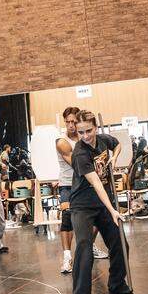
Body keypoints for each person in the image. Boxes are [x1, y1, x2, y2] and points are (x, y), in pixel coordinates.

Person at [68, 111, 132, 294]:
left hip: (103, 204)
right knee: (85, 247)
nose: (85, 136)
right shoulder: (80, 153)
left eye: (88, 130)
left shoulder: (104, 140)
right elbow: (96, 182)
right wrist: (113, 209)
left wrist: (114, 157)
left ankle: (116, 284)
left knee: (120, 242)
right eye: (80, 132)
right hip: (82, 206)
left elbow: (118, 144)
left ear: (95, 127)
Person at [56, 107, 81, 274]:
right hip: (67, 184)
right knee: (67, 217)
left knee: (94, 219)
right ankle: (67, 257)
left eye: (74, 122)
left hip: (85, 184)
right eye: (68, 122)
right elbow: (77, 163)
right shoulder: (62, 141)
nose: (71, 125)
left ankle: (89, 247)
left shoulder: (84, 137)